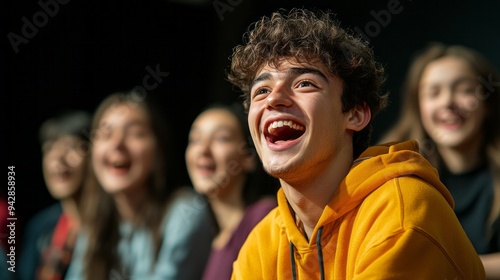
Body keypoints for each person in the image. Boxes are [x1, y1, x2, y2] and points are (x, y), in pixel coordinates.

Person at [226, 8, 486, 279]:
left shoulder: (402, 212)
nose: (274, 99)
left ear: (355, 114)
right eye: (262, 91)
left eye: (304, 83)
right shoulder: (260, 244)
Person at [379, 42, 500, 279]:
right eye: (433, 93)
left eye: (464, 89)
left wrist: (443, 269)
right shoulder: (393, 175)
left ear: (487, 103)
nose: (447, 103)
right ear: (419, 107)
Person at [65, 91, 213, 280]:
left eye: (135, 133)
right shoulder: (95, 224)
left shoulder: (185, 213)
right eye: (105, 134)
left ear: (158, 150)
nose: (117, 144)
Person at [185, 103, 279, 280]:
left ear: (249, 156)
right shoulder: (207, 240)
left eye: (221, 138)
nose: (203, 150)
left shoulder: (263, 217)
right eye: (195, 139)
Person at [18, 110, 91, 280]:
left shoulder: (115, 224)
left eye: (71, 147)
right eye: (49, 149)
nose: (57, 158)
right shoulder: (40, 227)